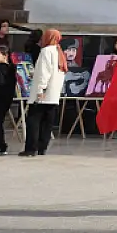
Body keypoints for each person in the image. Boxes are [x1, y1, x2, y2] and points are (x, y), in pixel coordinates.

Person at [23, 28, 67, 157]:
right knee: (47, 123)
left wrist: (40, 89)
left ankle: (31, 148)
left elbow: (44, 72)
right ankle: (42, 147)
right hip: (53, 94)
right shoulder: (59, 52)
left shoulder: (46, 51)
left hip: (43, 94)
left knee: (34, 121)